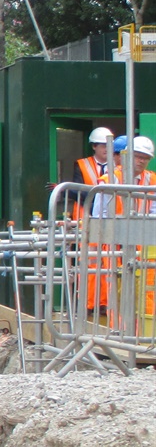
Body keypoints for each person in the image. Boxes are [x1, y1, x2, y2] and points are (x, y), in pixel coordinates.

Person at [113, 137, 156, 331]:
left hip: (144, 248)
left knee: (145, 295)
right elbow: (100, 214)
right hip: (114, 248)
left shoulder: (152, 179)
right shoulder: (111, 179)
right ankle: (117, 336)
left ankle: (142, 335)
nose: (141, 161)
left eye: (145, 158)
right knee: (116, 295)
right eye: (138, 156)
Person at [75, 127, 114, 314]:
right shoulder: (82, 165)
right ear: (94, 146)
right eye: (102, 145)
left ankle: (106, 303)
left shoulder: (118, 168)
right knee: (90, 263)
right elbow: (77, 192)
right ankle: (88, 304)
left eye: (109, 145)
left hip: (111, 221)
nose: (106, 149)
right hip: (87, 221)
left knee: (110, 263)